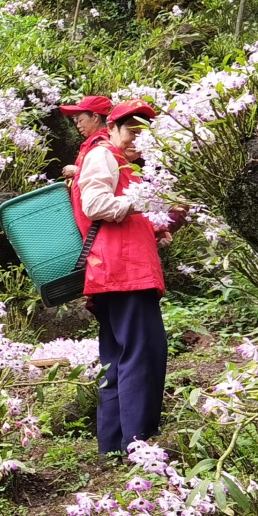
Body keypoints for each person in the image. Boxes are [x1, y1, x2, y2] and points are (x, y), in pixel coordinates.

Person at [72, 101, 168, 455]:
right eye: (131, 132)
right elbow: (95, 205)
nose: (137, 141)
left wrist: (158, 224)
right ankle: (140, 444)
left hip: (113, 271)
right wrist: (142, 201)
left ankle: (113, 445)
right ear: (111, 127)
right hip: (124, 272)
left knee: (117, 357)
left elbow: (123, 213)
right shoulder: (104, 156)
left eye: (144, 136)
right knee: (144, 353)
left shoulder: (121, 162)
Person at [58, 94, 113, 180]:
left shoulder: (102, 142)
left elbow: (103, 173)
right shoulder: (96, 140)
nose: (78, 125)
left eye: (80, 120)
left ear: (95, 117)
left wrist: (77, 171)